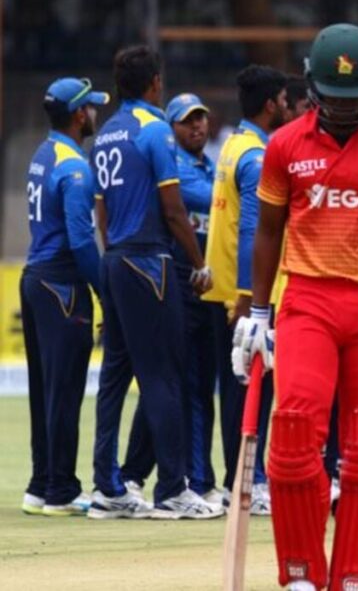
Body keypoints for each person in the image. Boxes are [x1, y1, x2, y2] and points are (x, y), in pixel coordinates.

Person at [234, 24, 358, 591]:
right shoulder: (284, 145)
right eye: (334, 98)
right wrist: (257, 313)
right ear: (310, 86)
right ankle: (301, 573)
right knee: (294, 430)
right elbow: (267, 232)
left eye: (356, 98)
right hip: (308, 300)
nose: (345, 110)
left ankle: (354, 578)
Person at [89, 45, 218, 520]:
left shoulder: (105, 133)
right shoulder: (155, 129)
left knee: (114, 378)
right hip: (149, 260)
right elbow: (174, 210)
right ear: (155, 83)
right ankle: (172, 490)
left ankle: (108, 487)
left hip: (116, 259)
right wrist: (199, 263)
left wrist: (113, 258)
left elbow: (101, 212)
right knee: (164, 375)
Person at [118, 93, 223, 507]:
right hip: (178, 279)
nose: (197, 126)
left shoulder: (208, 164)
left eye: (201, 118)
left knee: (187, 383)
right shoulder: (174, 165)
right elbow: (211, 200)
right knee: (176, 382)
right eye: (187, 121)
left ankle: (153, 475)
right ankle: (179, 478)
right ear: (171, 128)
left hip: (202, 284)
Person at [20, 77, 107, 517]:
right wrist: (106, 291)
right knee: (65, 390)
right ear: (78, 115)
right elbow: (82, 242)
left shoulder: (43, 153)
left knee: (44, 389)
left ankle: (41, 484)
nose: (95, 113)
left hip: (35, 279)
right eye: (91, 107)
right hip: (62, 287)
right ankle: (61, 491)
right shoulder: (75, 168)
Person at [204, 65, 288, 516]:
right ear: (271, 104)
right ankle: (250, 482)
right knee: (254, 389)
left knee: (235, 389)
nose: (290, 107)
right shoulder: (257, 156)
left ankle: (235, 478)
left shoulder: (233, 145)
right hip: (251, 294)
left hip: (225, 291)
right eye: (285, 100)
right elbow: (254, 230)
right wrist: (248, 298)